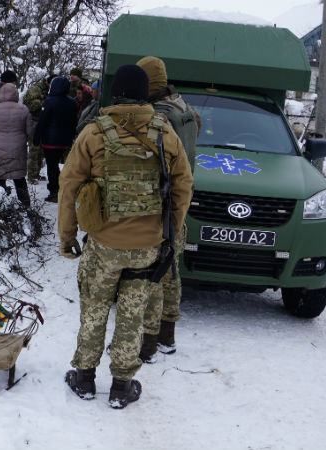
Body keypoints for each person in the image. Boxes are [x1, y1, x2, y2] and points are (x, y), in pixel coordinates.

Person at [58, 64, 193, 409]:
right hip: (147, 247)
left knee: (94, 308)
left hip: (103, 244)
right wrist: (171, 233)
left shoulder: (93, 132)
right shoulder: (166, 132)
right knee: (133, 314)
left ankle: (85, 377)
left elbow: (69, 185)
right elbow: (182, 187)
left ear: (115, 92)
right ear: (145, 93)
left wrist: (67, 235)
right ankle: (121, 385)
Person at [135, 56, 202, 362]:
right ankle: (167, 335)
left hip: (160, 205)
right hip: (180, 201)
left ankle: (147, 343)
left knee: (154, 273)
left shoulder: (159, 116)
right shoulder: (184, 108)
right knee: (172, 270)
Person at [0, 83, 32, 206]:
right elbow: (30, 131)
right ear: (16, 94)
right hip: (18, 149)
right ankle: (25, 206)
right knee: (19, 179)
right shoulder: (24, 109)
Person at [32, 76, 76, 203]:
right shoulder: (72, 102)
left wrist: (36, 137)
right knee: (63, 165)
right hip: (66, 140)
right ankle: (63, 187)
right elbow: (74, 122)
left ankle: (54, 190)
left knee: (52, 166)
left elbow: (42, 121)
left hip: (50, 141)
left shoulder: (49, 101)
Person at [23, 75, 54, 183]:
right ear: (47, 82)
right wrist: (44, 102)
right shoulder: (36, 89)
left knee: (41, 150)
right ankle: (31, 176)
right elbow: (30, 105)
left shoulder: (48, 90)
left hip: (43, 122)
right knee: (34, 149)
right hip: (34, 121)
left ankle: (36, 173)